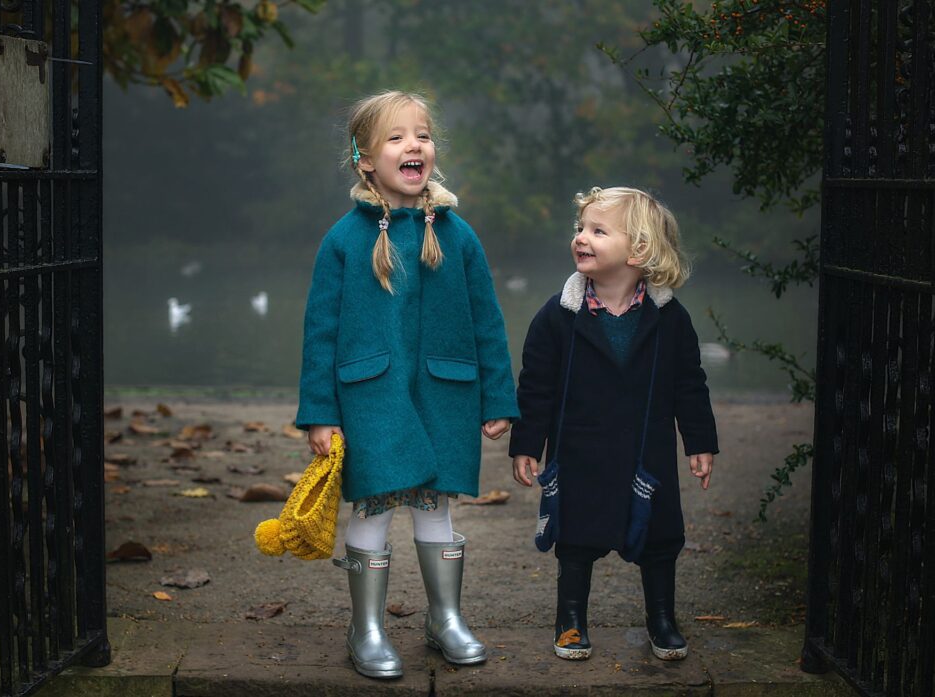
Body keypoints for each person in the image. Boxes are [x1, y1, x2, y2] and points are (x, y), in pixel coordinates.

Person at [295, 90, 519, 679]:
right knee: (371, 508)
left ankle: (445, 617)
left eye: (421, 134)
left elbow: (487, 322)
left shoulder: (459, 234)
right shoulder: (343, 240)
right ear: (365, 158)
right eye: (395, 138)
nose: (413, 144)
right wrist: (320, 412)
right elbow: (320, 333)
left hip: (445, 392)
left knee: (435, 506)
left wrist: (498, 397)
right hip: (370, 398)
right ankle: (365, 628)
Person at [509, 186, 718, 662]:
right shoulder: (559, 315)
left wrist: (699, 442)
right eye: (580, 229)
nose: (582, 238)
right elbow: (536, 385)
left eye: (598, 231)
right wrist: (527, 444)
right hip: (580, 449)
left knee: (660, 538)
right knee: (576, 538)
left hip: (649, 451)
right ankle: (570, 620)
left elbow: (690, 383)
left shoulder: (668, 319)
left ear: (640, 249)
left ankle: (661, 620)